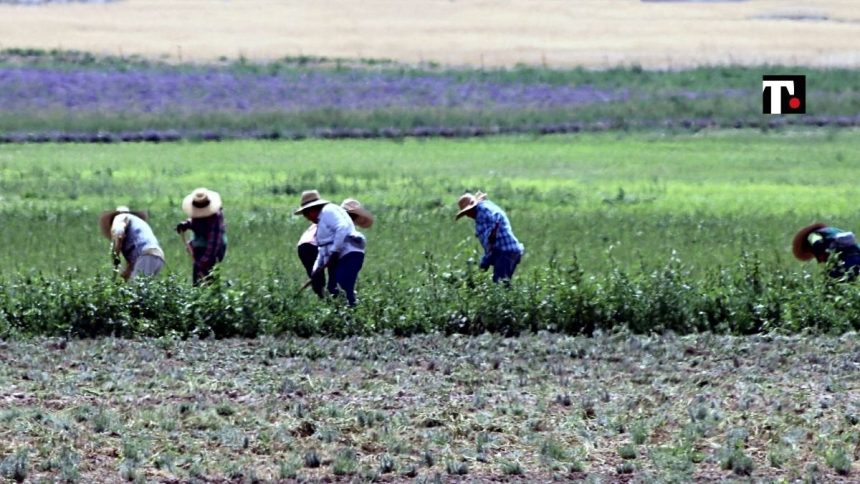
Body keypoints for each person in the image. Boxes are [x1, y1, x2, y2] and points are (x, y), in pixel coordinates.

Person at [294, 190, 367, 306]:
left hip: (307, 246)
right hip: (311, 246)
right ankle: (333, 304)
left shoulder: (329, 217)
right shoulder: (333, 218)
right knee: (327, 281)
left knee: (326, 282)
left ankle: (331, 304)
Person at [456, 191, 524, 283]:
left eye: (467, 212)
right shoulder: (484, 208)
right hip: (504, 250)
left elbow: (496, 218)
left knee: (500, 284)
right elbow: (490, 245)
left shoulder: (482, 210)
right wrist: (485, 262)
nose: (468, 215)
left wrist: (492, 233)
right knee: (500, 281)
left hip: (505, 251)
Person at [176, 188, 227, 286]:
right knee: (198, 277)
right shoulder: (199, 211)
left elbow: (214, 243)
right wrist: (186, 224)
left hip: (214, 249)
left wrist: (204, 261)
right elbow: (196, 221)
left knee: (207, 276)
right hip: (201, 245)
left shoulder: (216, 217)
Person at [99, 206, 165, 281]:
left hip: (146, 254)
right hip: (156, 256)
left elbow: (118, 231)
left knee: (137, 289)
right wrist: (128, 270)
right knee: (141, 287)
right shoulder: (137, 223)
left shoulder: (120, 217)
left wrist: (115, 254)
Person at [793, 223, 860, 279]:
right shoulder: (833, 230)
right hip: (857, 255)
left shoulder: (813, 235)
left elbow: (818, 245)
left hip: (843, 261)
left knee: (832, 285)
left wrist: (821, 261)